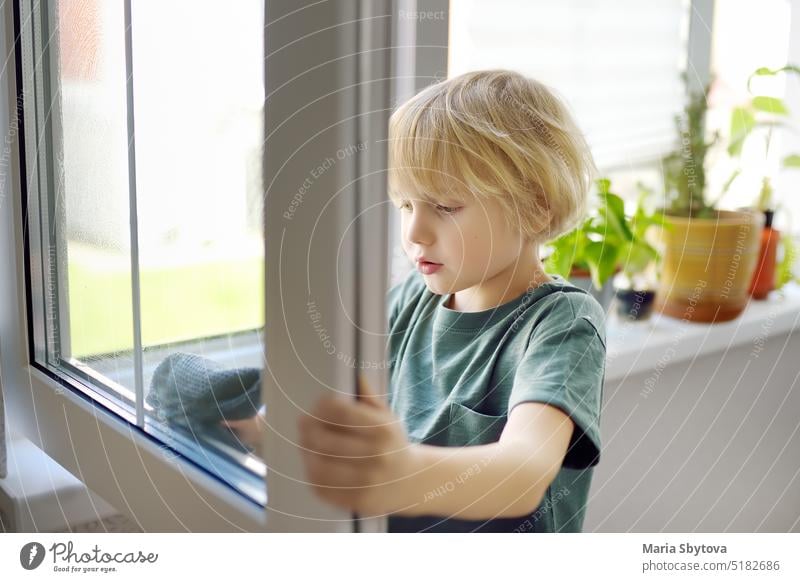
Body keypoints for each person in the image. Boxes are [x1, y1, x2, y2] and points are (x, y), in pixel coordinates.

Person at [229, 69, 606, 532]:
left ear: (534, 206)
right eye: (406, 205)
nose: (414, 233)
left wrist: (400, 474)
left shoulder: (561, 322)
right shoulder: (413, 298)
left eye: (445, 206)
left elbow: (523, 472)